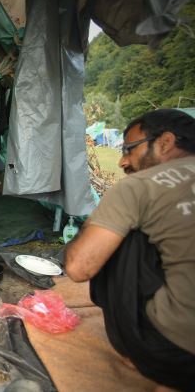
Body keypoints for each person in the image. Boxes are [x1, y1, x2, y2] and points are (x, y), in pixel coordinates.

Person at [64, 109, 195, 392]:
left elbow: (79, 267)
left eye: (129, 149)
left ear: (165, 142)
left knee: (119, 239)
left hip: (179, 354)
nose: (123, 161)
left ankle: (134, 350)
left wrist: (83, 234)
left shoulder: (141, 185)